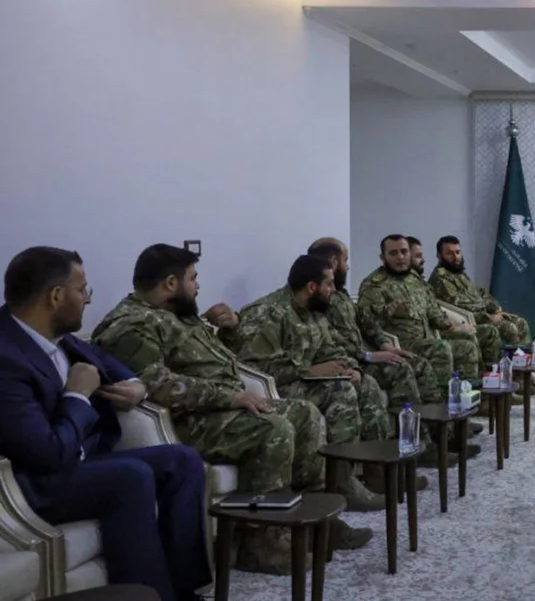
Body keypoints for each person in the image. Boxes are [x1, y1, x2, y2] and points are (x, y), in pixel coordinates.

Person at [92, 244, 372, 572]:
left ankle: (311, 523)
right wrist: (232, 398)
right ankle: (260, 542)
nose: (198, 286)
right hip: (186, 420)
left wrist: (231, 328)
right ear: (170, 283)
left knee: (305, 415)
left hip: (220, 409)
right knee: (272, 429)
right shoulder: (132, 324)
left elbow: (227, 360)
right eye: (192, 278)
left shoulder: (178, 316)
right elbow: (156, 384)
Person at [0, 247, 211, 600]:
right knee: (130, 476)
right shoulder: (6, 357)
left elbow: (110, 364)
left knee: (182, 460)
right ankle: (149, 595)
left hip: (81, 460)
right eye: (83, 290)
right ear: (56, 296)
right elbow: (46, 454)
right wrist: (77, 395)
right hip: (34, 482)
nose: (88, 299)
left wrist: (138, 386)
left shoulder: (56, 335)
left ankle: (184, 591)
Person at [236, 255, 388, 511]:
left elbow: (331, 348)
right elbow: (253, 368)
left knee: (366, 384)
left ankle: (373, 474)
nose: (334, 289)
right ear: (311, 287)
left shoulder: (314, 311)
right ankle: (340, 485)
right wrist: (307, 370)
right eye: (329, 283)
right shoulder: (267, 313)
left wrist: (349, 367)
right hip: (276, 388)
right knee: (341, 392)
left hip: (305, 382)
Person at [307, 238, 455, 474]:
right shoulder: (319, 301)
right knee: (400, 370)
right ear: (334, 262)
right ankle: (403, 450)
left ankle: (438, 436)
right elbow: (334, 343)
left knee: (416, 364)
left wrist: (386, 345)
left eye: (404, 252)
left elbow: (367, 324)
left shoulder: (340, 295)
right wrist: (368, 355)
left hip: (363, 356)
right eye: (346, 260)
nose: (348, 266)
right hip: (351, 361)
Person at [358, 235, 481, 458]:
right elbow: (367, 324)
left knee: (466, 347)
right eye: (393, 253)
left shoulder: (415, 279)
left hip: (427, 339)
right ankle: (442, 433)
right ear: (382, 257)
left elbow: (433, 310)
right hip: (401, 344)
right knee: (440, 351)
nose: (400, 257)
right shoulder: (374, 285)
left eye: (404, 252)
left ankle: (458, 419)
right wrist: (386, 335)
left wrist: (452, 325)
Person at [427, 235, 532, 363]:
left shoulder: (459, 273)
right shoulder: (440, 279)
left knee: (521, 322)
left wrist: (495, 309)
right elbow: (463, 306)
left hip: (484, 315)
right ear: (439, 256)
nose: (455, 257)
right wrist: (489, 316)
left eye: (458, 252)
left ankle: (524, 364)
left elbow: (480, 294)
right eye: (450, 253)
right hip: (469, 321)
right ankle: (509, 369)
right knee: (509, 328)